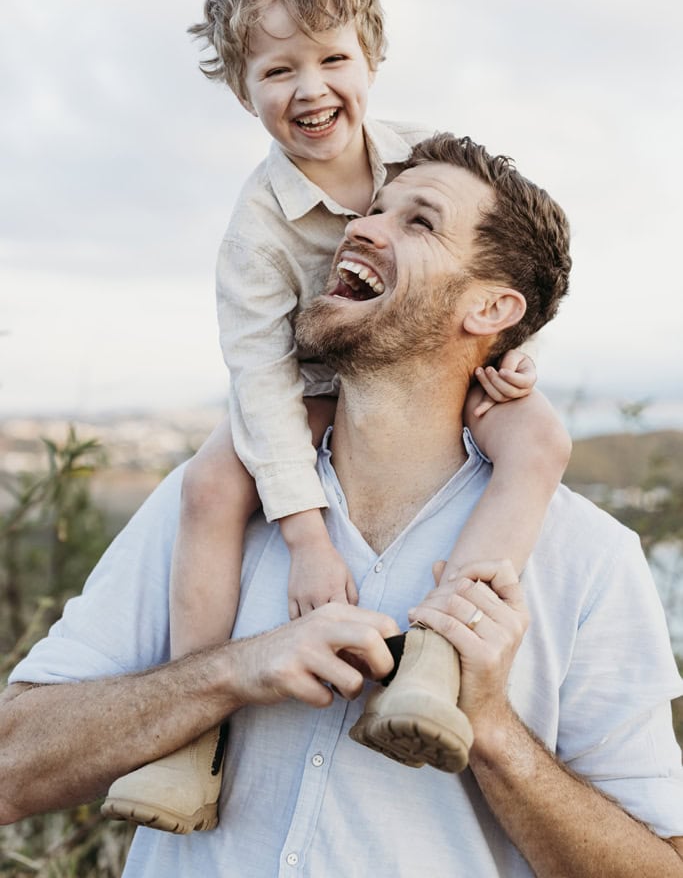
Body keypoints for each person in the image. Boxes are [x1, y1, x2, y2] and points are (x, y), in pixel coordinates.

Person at [2, 134, 682, 878]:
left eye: (417, 222)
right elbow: (12, 764)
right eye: (374, 209)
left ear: (491, 307)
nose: (361, 227)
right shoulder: (209, 504)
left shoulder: (587, 559)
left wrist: (490, 727)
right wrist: (229, 673)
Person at [95, 0, 569, 831]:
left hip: (423, 367)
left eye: (330, 59)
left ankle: (436, 654)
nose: (309, 89)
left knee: (539, 437)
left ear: (371, 57)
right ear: (243, 92)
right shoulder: (255, 229)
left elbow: (496, 270)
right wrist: (306, 537)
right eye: (276, 72)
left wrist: (508, 359)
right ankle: (190, 737)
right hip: (304, 392)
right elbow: (261, 383)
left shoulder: (427, 155)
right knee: (205, 487)